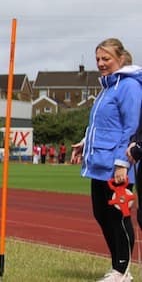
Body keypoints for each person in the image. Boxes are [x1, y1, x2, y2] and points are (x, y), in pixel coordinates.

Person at [71, 38, 142, 282]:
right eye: (98, 59)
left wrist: (124, 163)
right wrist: (84, 143)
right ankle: (118, 268)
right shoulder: (107, 88)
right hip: (99, 162)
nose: (101, 63)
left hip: (117, 165)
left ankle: (121, 271)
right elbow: (102, 125)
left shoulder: (129, 87)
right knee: (101, 214)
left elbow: (131, 127)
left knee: (117, 217)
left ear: (120, 59)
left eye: (106, 59)